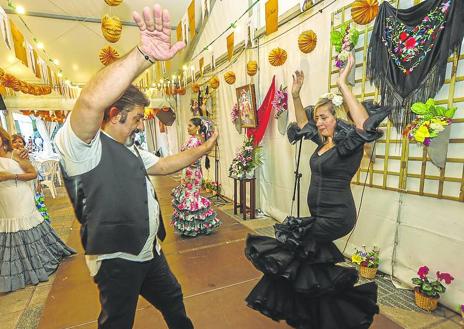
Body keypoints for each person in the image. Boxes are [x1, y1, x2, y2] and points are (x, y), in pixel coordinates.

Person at [54, 4, 217, 329]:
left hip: (148, 251)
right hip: (116, 259)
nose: (142, 125)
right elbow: (89, 101)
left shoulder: (129, 148)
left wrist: (203, 149)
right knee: (117, 323)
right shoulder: (82, 148)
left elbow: (166, 164)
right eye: (139, 117)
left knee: (173, 298)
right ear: (115, 114)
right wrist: (142, 54)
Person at [244, 53, 391, 328]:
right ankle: (327, 315)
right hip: (319, 214)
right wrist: (296, 96)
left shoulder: (349, 146)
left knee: (293, 249)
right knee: (310, 267)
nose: (320, 123)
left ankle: (295, 307)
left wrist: (342, 83)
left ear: (337, 118)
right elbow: (302, 124)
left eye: (324, 117)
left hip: (337, 216)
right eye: (318, 118)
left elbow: (363, 125)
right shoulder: (323, 143)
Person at [0, 127, 75, 293]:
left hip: (20, 195)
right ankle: (18, 272)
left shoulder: (16, 154)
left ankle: (38, 263)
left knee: (24, 225)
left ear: (2, 138)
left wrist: (10, 176)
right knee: (9, 230)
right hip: (4, 201)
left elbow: (33, 174)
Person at [171, 117, 221, 237]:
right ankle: (196, 225)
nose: (188, 128)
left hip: (192, 173)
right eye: (188, 125)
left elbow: (190, 157)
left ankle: (195, 225)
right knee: (190, 196)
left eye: (190, 126)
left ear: (198, 128)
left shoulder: (195, 141)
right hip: (189, 171)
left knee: (191, 197)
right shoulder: (194, 140)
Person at [11, 134, 51, 222]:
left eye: (20, 142)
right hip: (21, 188)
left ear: (23, 144)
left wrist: (39, 184)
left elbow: (37, 171)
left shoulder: (30, 157)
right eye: (14, 142)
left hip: (33, 186)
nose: (17, 144)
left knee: (39, 209)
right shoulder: (10, 159)